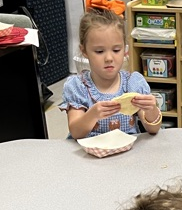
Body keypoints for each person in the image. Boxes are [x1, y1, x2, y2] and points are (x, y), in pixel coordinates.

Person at [60, 8, 161, 139]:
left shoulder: (133, 83)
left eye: (116, 50)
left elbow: (153, 129)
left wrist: (151, 109)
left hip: (127, 153)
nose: (109, 58)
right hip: (90, 155)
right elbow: (76, 133)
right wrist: (93, 114)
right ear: (84, 51)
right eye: (99, 51)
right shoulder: (78, 87)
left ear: (125, 50)